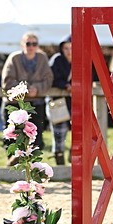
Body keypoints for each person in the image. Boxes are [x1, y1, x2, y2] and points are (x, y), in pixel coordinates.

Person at [3, 32, 54, 159]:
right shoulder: (14, 58)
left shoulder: (42, 58)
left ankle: (32, 166)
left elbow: (48, 79)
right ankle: (12, 165)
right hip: (16, 105)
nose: (31, 47)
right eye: (28, 43)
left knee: (36, 137)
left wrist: (37, 89)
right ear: (22, 45)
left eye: (34, 44)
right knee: (14, 137)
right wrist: (25, 90)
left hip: (36, 104)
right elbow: (7, 81)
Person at [49, 36, 73, 166]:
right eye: (66, 48)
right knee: (60, 131)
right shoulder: (57, 60)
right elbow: (51, 78)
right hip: (57, 99)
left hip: (75, 100)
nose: (69, 51)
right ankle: (59, 162)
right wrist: (65, 85)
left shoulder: (81, 59)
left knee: (79, 129)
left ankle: (74, 155)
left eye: (71, 47)